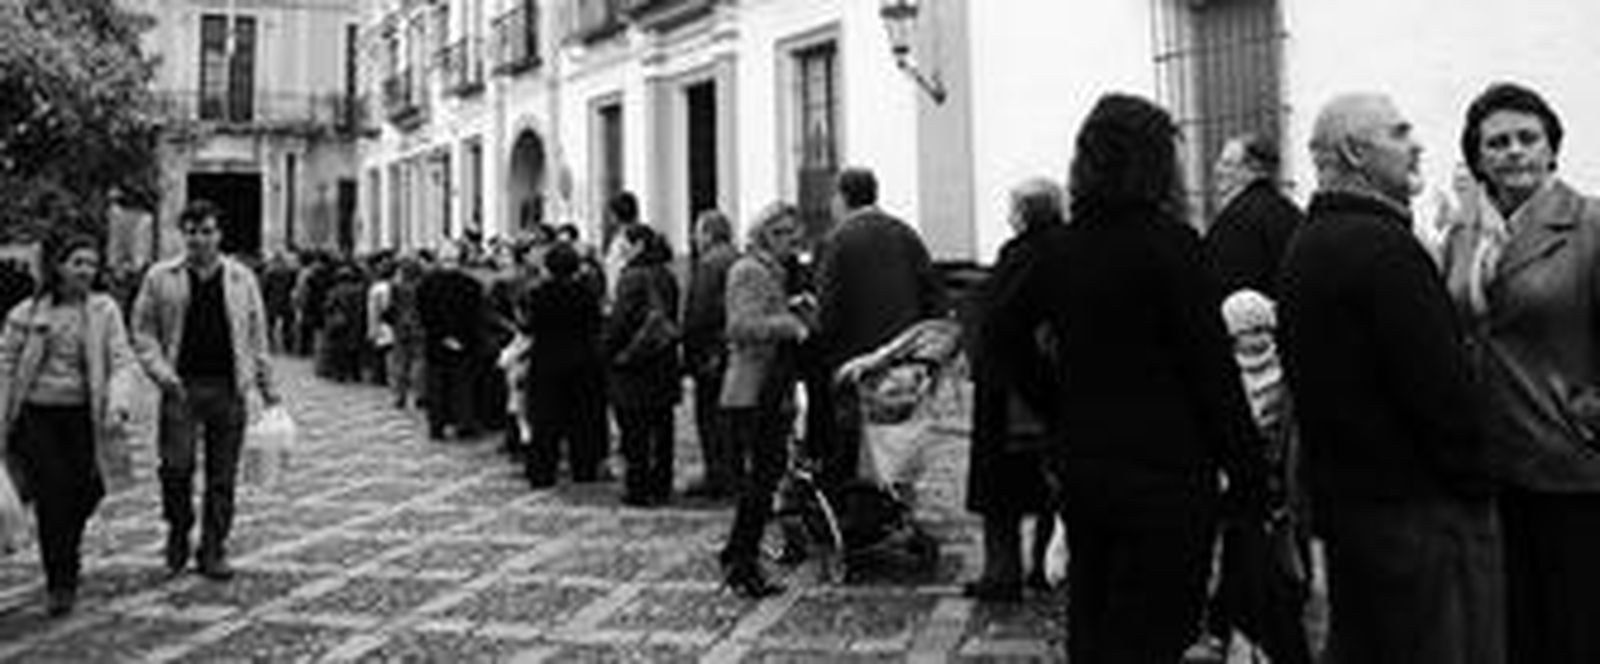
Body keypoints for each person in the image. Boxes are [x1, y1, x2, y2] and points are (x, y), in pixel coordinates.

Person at [988, 94, 1264, 663]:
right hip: (1168, 470)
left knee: (1093, 613)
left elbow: (999, 332)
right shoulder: (1173, 246)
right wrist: (1247, 467)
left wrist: (1055, 402)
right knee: (1157, 628)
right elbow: (1210, 367)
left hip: (1087, 464)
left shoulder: (1060, 248)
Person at [1277, 93, 1500, 663]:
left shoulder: (1307, 244)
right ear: (1355, 152)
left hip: (1352, 514)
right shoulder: (1383, 249)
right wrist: (1478, 480)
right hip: (1415, 517)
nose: (1416, 145)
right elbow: (1439, 393)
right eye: (1399, 134)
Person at [1440, 82, 1600, 664]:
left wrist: (1589, 414)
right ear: (1478, 159)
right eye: (1497, 142)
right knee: (1510, 631)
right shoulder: (1466, 235)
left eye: (1527, 138)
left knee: (1574, 628)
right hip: (1492, 464)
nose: (1513, 151)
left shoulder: (1590, 225)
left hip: (1569, 465)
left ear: (1551, 148)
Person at [132, 200, 280, 582]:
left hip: (230, 388)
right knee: (175, 468)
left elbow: (257, 335)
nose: (200, 239)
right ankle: (179, 526)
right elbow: (143, 331)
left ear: (219, 234)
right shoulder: (160, 276)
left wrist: (267, 387)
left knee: (222, 475)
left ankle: (213, 547)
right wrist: (161, 372)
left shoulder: (242, 278)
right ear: (183, 234)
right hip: (180, 387)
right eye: (193, 232)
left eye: (207, 231)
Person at [0, 235, 138, 616]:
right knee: (53, 495)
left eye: (91, 263)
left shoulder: (104, 310)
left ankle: (66, 545)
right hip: (38, 415)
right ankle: (60, 580)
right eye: (77, 262)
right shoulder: (27, 313)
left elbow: (121, 360)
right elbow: (5, 366)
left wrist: (118, 401)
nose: (85, 271)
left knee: (89, 488)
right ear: (59, 266)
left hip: (84, 415)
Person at [965, 177, 1068, 602]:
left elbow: (999, 324)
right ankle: (1044, 565)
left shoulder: (1018, 256)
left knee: (1001, 495)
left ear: (1024, 214)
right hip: (1054, 385)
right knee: (1050, 486)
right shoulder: (1067, 250)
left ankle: (1001, 573)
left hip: (1009, 390)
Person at [813, 168, 946, 489]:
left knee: (853, 435)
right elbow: (933, 296)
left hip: (855, 357)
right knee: (898, 434)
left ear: (842, 198)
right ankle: (894, 491)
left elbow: (829, 307)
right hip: (904, 356)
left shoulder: (837, 240)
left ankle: (858, 496)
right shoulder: (905, 234)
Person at [717, 202, 811, 598]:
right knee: (758, 485)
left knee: (765, 480)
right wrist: (788, 324)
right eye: (781, 233)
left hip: (772, 388)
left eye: (793, 233)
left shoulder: (773, 271)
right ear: (764, 235)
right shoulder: (749, 270)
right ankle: (741, 564)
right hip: (751, 390)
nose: (790, 240)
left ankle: (739, 555)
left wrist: (793, 309)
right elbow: (740, 326)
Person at [603, 224, 681, 507]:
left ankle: (638, 487)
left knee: (635, 430)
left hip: (635, 363)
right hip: (663, 360)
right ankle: (662, 483)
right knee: (662, 427)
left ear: (638, 245)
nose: (621, 248)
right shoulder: (667, 274)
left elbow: (621, 322)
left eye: (624, 242)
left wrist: (609, 350)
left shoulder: (632, 277)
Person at [521, 241, 608, 488]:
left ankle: (542, 472)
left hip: (547, 362)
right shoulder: (587, 293)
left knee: (545, 421)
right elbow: (596, 325)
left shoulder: (538, 294)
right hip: (583, 362)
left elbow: (530, 326)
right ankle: (584, 468)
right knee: (583, 419)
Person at [1204, 133, 1305, 298]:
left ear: (1254, 170)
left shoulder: (1234, 220)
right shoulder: (1292, 213)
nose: (1217, 170)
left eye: (1227, 164)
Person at [683, 210, 740, 500]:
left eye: (697, 232)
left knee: (710, 417)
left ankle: (717, 476)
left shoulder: (709, 264)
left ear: (707, 234)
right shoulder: (738, 258)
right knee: (731, 418)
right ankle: (733, 473)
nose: (694, 238)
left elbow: (700, 312)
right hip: (733, 349)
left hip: (711, 353)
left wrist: (690, 350)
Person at [415, 246, 486, 441]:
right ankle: (463, 422)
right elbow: (476, 316)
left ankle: (437, 425)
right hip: (464, 341)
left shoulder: (426, 284)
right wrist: (459, 338)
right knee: (461, 384)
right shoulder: (471, 284)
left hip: (436, 342)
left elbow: (424, 315)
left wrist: (442, 336)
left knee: (437, 385)